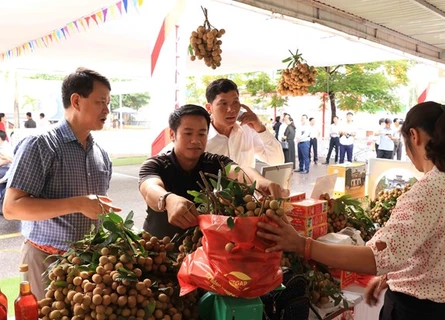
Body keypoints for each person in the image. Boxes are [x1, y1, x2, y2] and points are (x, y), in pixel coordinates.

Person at [258, 101, 445, 320]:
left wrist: (302, 244)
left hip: (413, 313)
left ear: (414, 135)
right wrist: (389, 277)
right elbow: (433, 249)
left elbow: (374, 259)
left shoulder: (426, 192)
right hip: (444, 311)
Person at [3, 67, 121, 299]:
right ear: (76, 100)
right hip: (45, 261)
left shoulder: (101, 154)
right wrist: (79, 204)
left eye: (107, 103)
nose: (107, 110)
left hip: (89, 265)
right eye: (100, 102)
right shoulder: (40, 145)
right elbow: (12, 208)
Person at [138, 104, 287, 239]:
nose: (195, 140)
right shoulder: (155, 164)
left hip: (201, 251)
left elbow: (238, 171)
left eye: (202, 134)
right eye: (188, 134)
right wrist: (167, 200)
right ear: (172, 135)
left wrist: (260, 182)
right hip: (161, 250)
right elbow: (149, 188)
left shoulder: (213, 162)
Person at [204, 79, 284, 168]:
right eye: (223, 103)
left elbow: (277, 161)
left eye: (235, 102)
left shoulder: (247, 130)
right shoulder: (202, 137)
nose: (231, 109)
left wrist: (260, 128)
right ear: (209, 108)